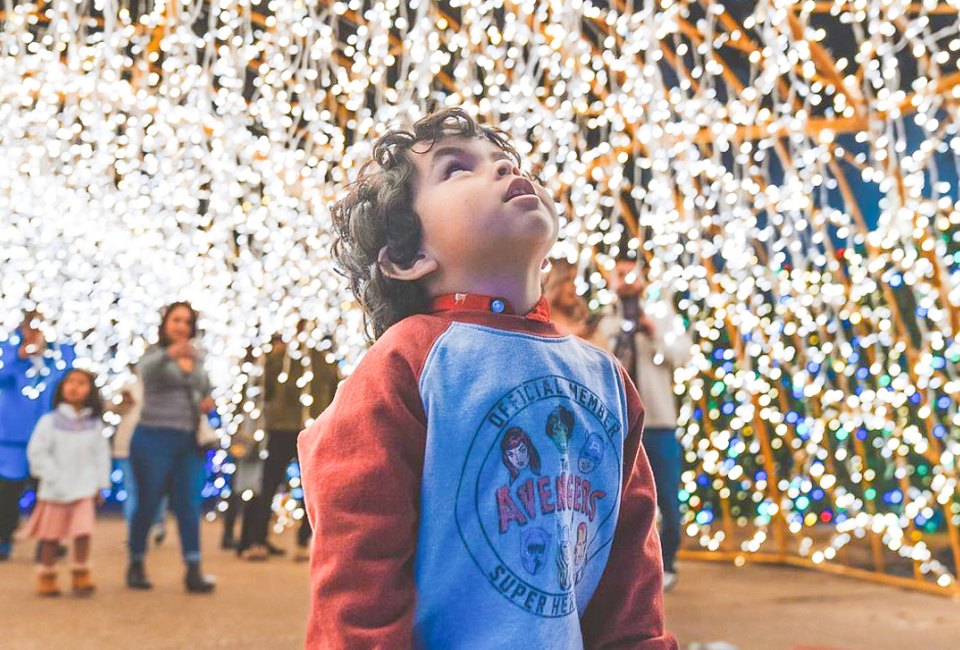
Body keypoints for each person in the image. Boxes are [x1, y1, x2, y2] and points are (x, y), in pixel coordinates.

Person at [297, 108, 676, 648]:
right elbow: (359, 569)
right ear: (408, 258)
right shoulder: (408, 359)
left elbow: (629, 575)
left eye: (504, 161)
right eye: (457, 169)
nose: (501, 169)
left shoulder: (605, 376)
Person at [598, 252, 694, 592]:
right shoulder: (603, 321)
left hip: (658, 421)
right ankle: (626, 569)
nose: (624, 279)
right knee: (616, 499)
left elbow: (683, 355)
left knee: (667, 496)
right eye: (618, 273)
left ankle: (667, 564)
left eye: (630, 272)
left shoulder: (662, 316)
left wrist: (653, 333)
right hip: (617, 425)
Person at [126, 301, 216, 594]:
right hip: (153, 437)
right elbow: (146, 374)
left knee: (189, 505)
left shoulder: (197, 357)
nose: (181, 327)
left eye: (187, 322)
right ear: (165, 324)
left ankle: (193, 568)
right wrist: (169, 354)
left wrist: (206, 400)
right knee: (148, 503)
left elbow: (205, 389)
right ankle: (136, 562)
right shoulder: (154, 354)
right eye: (176, 320)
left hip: (188, 441)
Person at [238, 331, 339, 561]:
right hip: (297, 428)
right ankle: (297, 540)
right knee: (304, 487)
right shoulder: (320, 359)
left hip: (292, 428)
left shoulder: (310, 360)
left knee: (274, 485)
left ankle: (265, 540)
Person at [24, 369, 111, 597]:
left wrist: (100, 483)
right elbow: (37, 452)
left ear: (90, 390)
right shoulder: (49, 421)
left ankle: (81, 573)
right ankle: (47, 574)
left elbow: (101, 455)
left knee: (83, 533)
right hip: (55, 488)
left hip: (84, 487)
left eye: (81, 383)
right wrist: (51, 475)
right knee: (50, 536)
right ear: (61, 388)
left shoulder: (94, 424)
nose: (74, 387)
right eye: (70, 382)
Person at [0, 311, 75, 561]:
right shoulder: (8, 352)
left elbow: (70, 381)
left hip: (49, 437)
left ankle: (48, 541)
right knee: (8, 493)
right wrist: (19, 357)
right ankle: (3, 538)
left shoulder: (57, 355)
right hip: (13, 439)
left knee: (49, 492)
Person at [112, 365, 168, 542]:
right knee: (132, 489)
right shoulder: (126, 386)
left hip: (156, 444)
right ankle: (133, 531)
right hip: (128, 444)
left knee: (157, 487)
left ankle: (158, 523)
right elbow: (114, 409)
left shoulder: (164, 387)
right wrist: (122, 403)